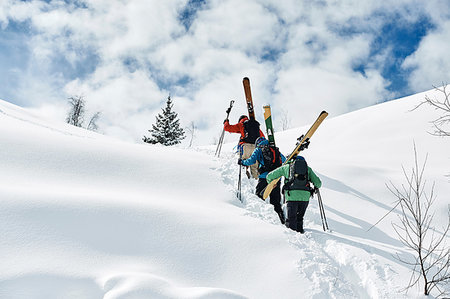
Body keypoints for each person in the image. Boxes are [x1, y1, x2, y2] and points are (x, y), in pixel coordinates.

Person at [266, 155, 321, 233]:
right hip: (305, 197)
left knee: (292, 218)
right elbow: (318, 183)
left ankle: (293, 237)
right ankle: (301, 234)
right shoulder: (307, 169)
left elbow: (269, 176)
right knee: (300, 217)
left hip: (291, 196)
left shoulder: (287, 167)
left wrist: (271, 183)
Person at [238, 137, 286, 223]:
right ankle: (281, 219)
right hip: (276, 178)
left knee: (259, 198)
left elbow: (251, 161)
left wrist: (242, 162)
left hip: (264, 177)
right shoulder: (274, 149)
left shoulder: (259, 149)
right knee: (275, 200)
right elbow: (284, 160)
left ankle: (261, 221)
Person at [224, 115, 265, 179]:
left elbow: (227, 128)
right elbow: (263, 137)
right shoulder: (255, 127)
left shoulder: (242, 124)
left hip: (245, 147)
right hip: (255, 148)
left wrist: (226, 122)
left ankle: (245, 180)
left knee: (243, 163)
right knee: (254, 167)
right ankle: (256, 181)